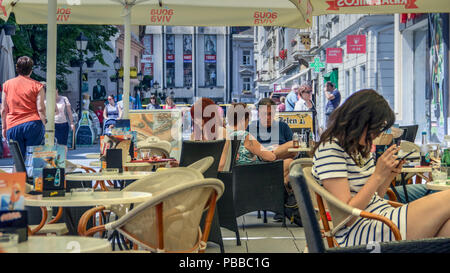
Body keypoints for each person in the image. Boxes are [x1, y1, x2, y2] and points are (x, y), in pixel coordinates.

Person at [312, 89, 450, 247]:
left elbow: (375, 196)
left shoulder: (356, 147)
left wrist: (387, 175)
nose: (376, 134)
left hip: (380, 219)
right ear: (359, 121)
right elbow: (347, 217)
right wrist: (377, 175)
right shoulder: (330, 150)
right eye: (375, 128)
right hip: (362, 231)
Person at [228, 103, 292, 186]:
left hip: (236, 175)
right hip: (253, 173)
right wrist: (267, 150)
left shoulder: (225, 133)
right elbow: (271, 157)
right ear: (244, 119)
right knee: (290, 162)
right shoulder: (245, 135)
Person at [1, 56, 46, 160]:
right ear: (31, 70)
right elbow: (40, 108)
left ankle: (19, 175)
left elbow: (3, 109)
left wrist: (4, 127)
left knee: (18, 160)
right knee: (33, 159)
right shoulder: (38, 86)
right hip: (33, 124)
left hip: (13, 125)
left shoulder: (7, 85)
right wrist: (45, 124)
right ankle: (31, 176)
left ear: (17, 68)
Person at [190, 98, 228, 172]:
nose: (195, 120)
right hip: (198, 175)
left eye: (198, 117)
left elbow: (220, 165)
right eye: (193, 117)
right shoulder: (194, 135)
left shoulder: (222, 132)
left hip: (215, 176)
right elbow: (192, 161)